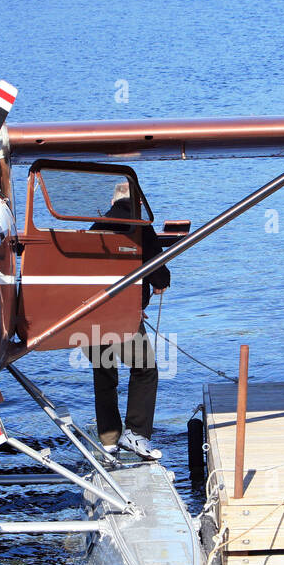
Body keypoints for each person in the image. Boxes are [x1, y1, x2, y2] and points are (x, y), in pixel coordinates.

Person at [84, 181, 170, 460]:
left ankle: (109, 438)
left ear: (112, 202)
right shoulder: (139, 225)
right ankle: (135, 434)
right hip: (120, 315)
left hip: (89, 313)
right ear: (138, 204)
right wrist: (159, 283)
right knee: (145, 369)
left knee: (105, 372)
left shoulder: (95, 228)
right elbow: (157, 271)